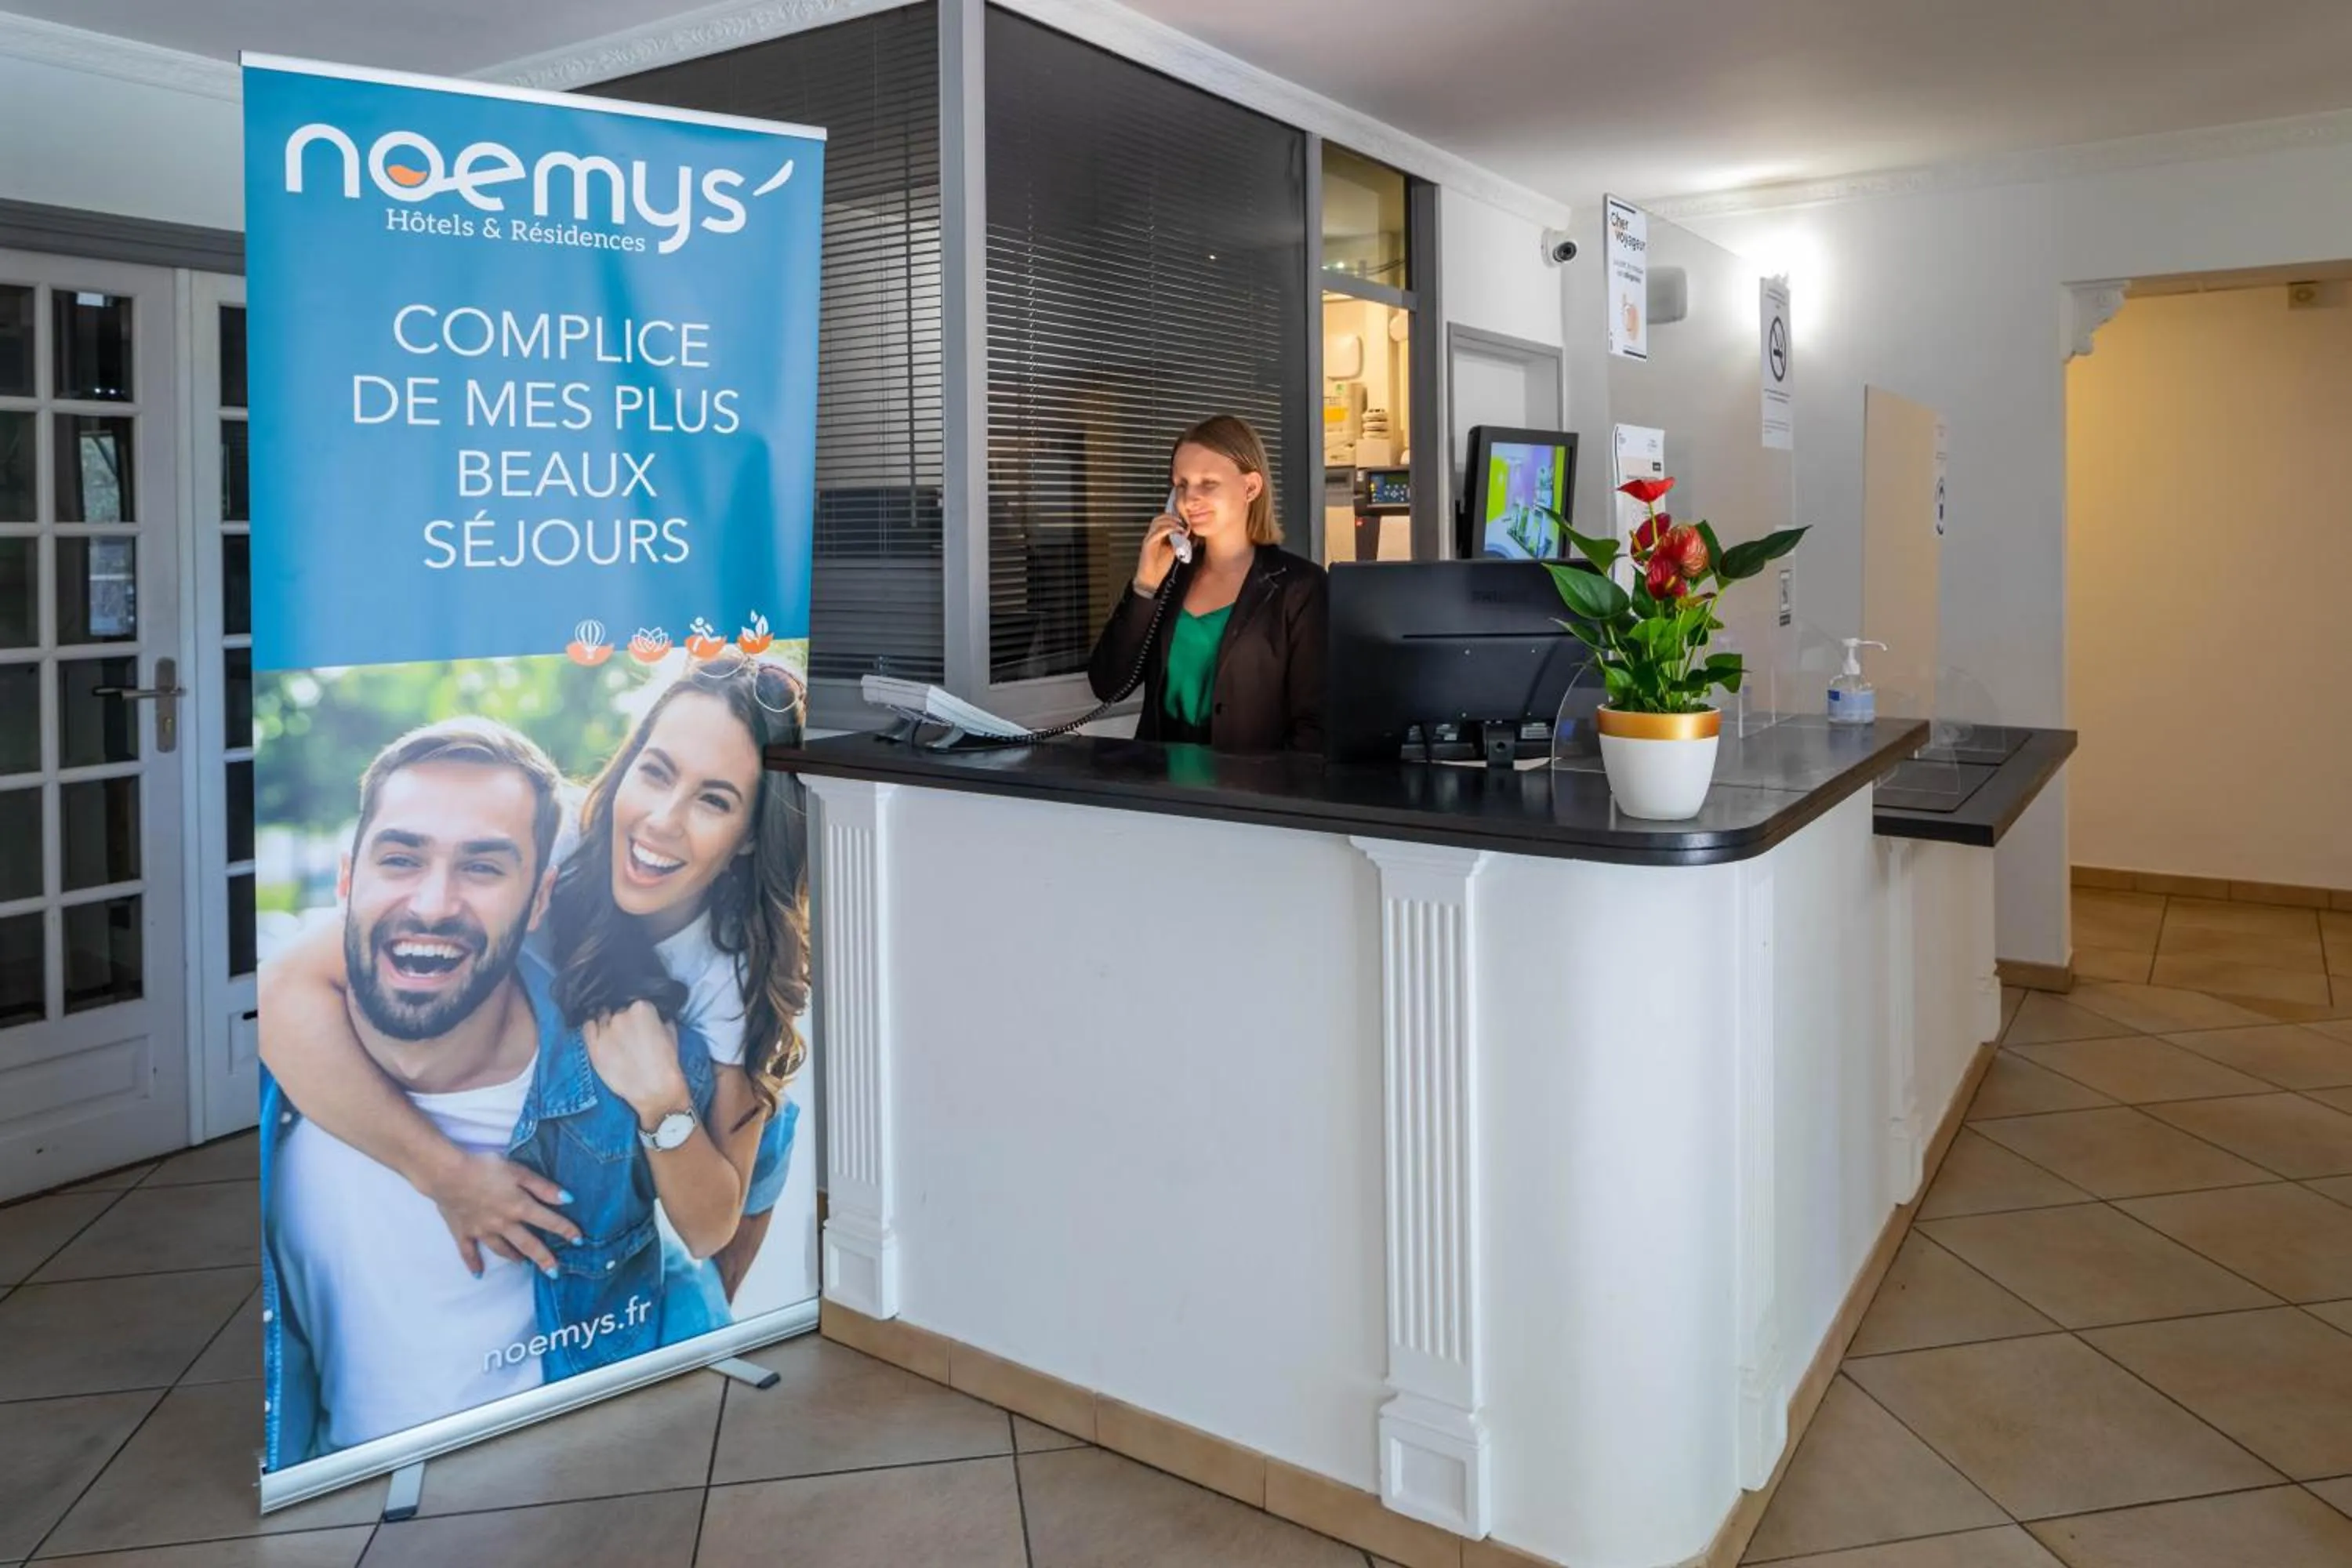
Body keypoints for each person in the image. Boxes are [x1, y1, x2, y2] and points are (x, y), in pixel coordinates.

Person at [259, 652, 811, 1297]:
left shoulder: (731, 965)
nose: (662, 820)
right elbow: (282, 990)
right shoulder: (554, 841)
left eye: (714, 800)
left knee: (769, 1129)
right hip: (552, 1067)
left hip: (673, 1100)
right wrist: (448, 1176)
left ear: (749, 835)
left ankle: (699, 1331)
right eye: (654, 773)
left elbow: (710, 1225)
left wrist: (661, 1097)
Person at [262, 718, 725, 1466]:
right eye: (402, 858)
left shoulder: (623, 1063)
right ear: (348, 881)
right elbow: (283, 978)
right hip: (332, 1489)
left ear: (538, 899)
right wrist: (447, 1175)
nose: (434, 903)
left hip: (579, 1482)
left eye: (482, 868)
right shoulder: (268, 1064)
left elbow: (725, 1213)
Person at [1086, 414, 1328, 753]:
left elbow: (1315, 724)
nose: (1189, 498)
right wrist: (1144, 586)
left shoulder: (1300, 587)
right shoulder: (1170, 579)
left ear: (1251, 487)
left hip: (1250, 790)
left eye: (1208, 483)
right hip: (1159, 786)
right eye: (1181, 485)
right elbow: (1107, 684)